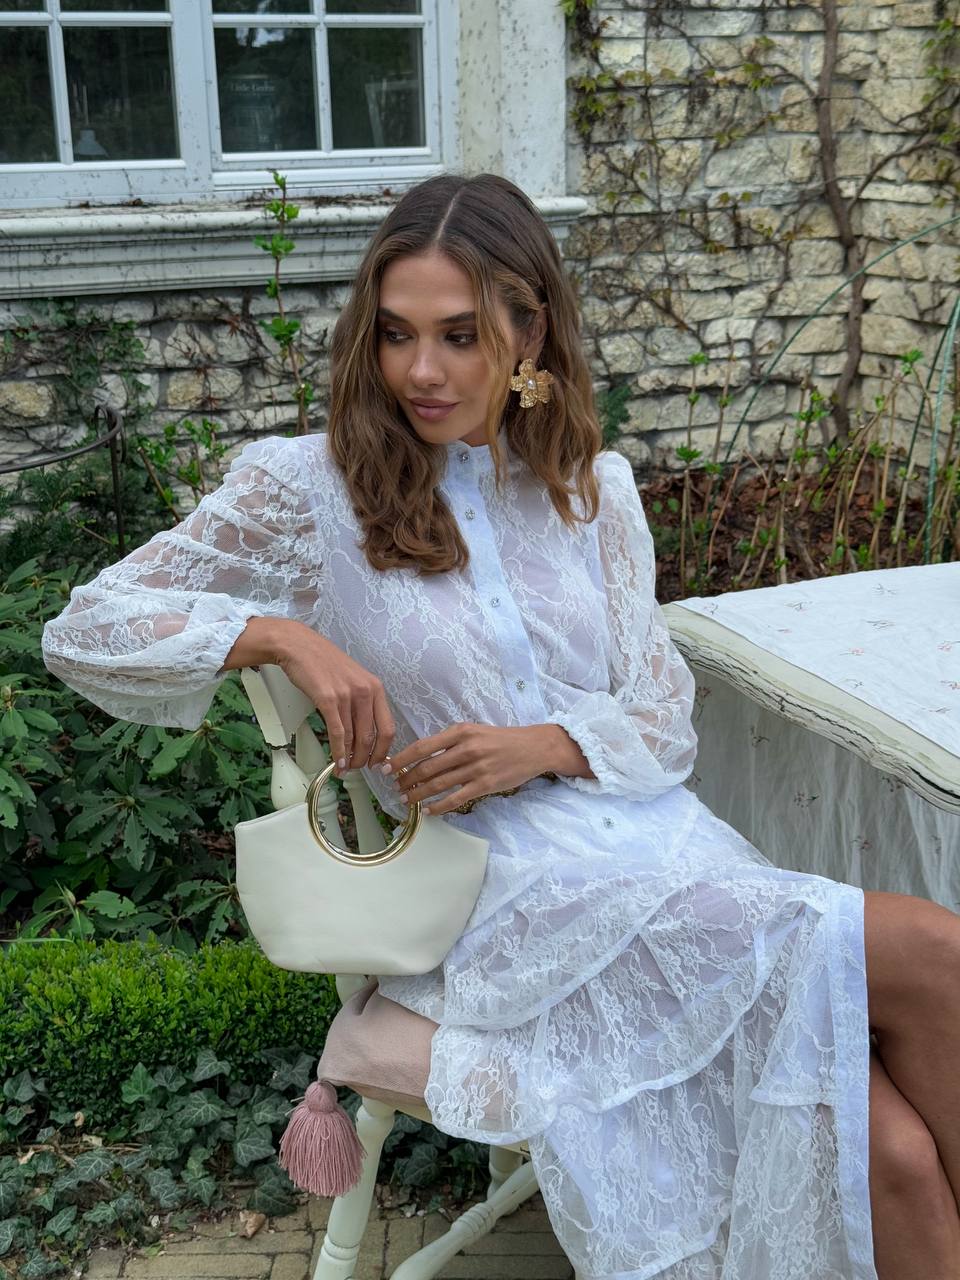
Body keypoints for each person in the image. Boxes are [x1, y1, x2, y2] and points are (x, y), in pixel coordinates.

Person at [41, 173, 960, 1280]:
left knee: (896, 1150)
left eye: (460, 335)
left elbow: (665, 721)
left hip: (661, 853)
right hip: (499, 901)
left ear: (529, 331)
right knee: (938, 948)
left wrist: (548, 744)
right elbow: (89, 623)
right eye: (395, 333)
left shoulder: (592, 490)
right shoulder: (311, 487)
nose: (421, 370)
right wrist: (286, 638)